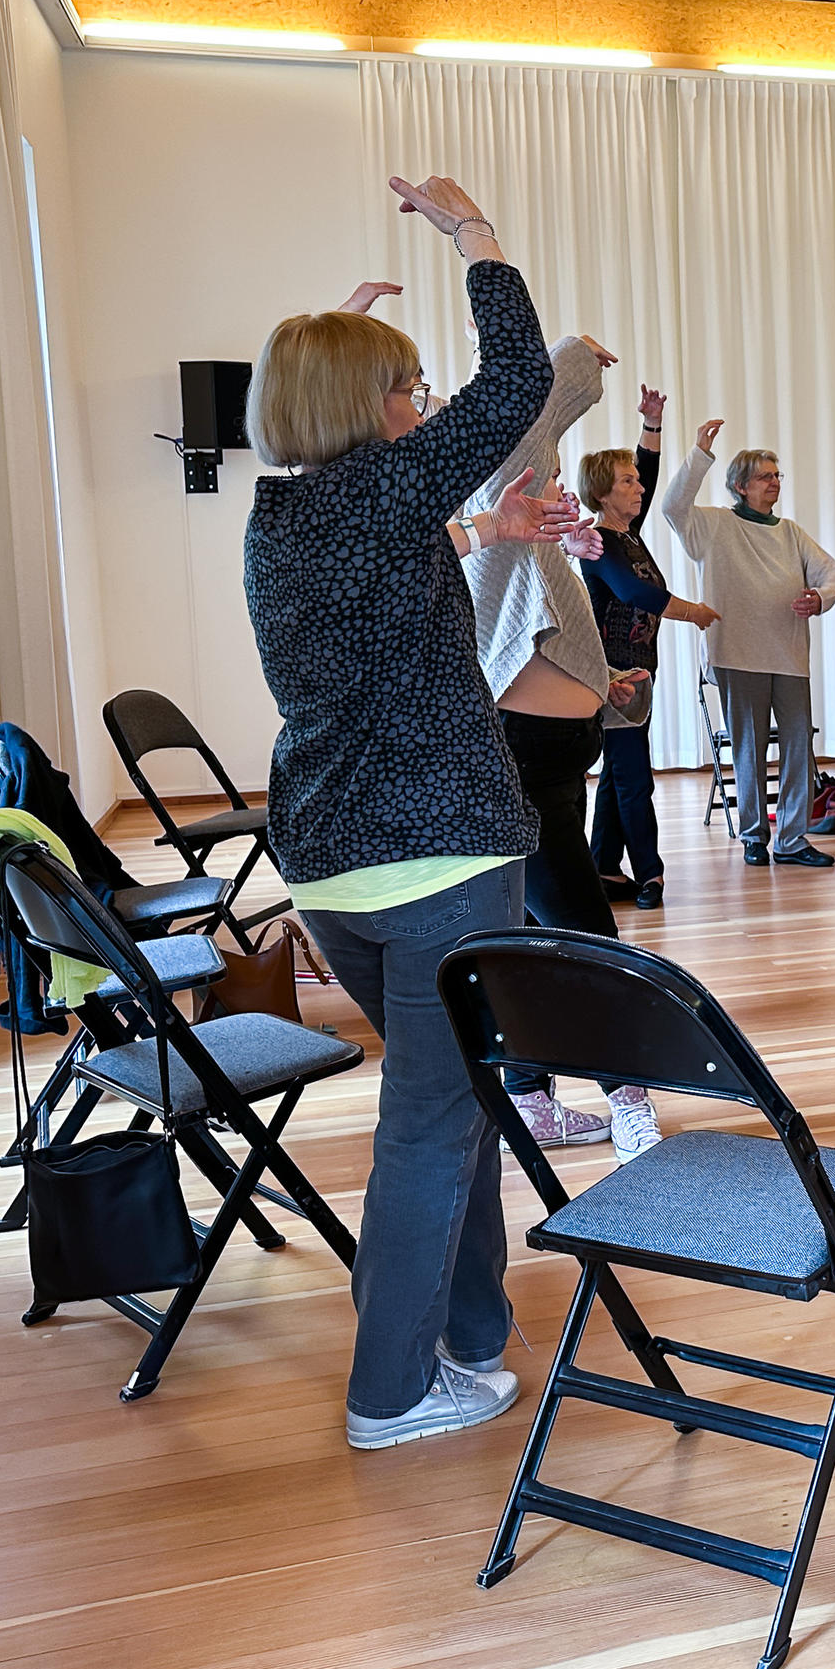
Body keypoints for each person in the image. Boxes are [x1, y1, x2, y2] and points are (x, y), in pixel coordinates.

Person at [244, 173, 562, 1451]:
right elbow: (518, 377)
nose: (427, 407)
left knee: (459, 1094)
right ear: (372, 413)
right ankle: (390, 1392)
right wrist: (475, 241)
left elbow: (381, 525)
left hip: (332, 866)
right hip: (432, 858)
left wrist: (339, 342)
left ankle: (469, 1332)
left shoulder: (283, 516)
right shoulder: (377, 496)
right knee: (434, 1119)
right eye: (407, 390)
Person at [458, 330, 665, 1162]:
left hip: (552, 745)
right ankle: (627, 1099)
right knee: (583, 932)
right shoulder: (502, 472)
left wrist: (600, 681)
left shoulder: (533, 510)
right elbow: (538, 407)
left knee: (529, 924)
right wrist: (575, 357)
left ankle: (531, 1094)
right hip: (520, 749)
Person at [660, 427, 835, 868]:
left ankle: (793, 840)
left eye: (777, 475)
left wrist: (819, 598)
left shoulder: (791, 532)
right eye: (765, 476)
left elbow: (830, 572)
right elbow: (672, 506)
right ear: (740, 486)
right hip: (737, 656)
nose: (774, 482)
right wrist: (700, 455)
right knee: (749, 749)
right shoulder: (714, 525)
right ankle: (753, 836)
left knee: (799, 746)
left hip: (788, 656)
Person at [578, 386, 721, 911]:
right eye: (627, 483)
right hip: (614, 676)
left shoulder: (628, 533)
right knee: (634, 776)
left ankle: (603, 867)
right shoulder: (599, 543)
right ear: (602, 493)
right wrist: (695, 612)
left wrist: (653, 424)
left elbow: (649, 470)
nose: (639, 488)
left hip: (639, 670)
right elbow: (637, 594)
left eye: (637, 482)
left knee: (619, 774)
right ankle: (649, 876)